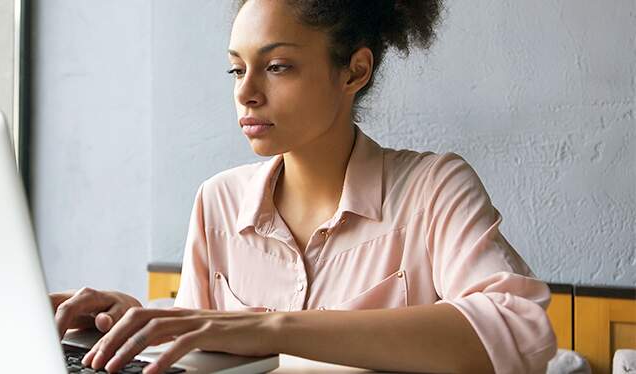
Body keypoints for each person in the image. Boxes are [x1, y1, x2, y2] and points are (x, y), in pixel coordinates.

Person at [50, 1, 558, 373]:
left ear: (354, 71)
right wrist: (136, 325)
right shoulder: (217, 202)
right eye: (236, 68)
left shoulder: (432, 189)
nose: (246, 93)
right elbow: (201, 347)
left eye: (277, 67)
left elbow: (517, 329)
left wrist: (275, 329)